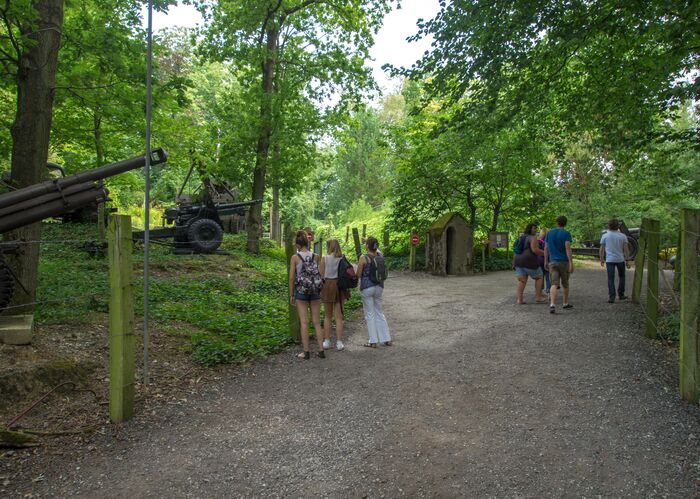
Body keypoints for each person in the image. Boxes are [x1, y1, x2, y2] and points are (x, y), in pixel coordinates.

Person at [288, 230, 325, 359]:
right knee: (316, 322)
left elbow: (292, 278)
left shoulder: (295, 258)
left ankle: (306, 352)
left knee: (304, 322)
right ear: (307, 243)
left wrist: (292, 294)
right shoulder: (316, 256)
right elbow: (320, 275)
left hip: (301, 292)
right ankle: (321, 351)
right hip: (315, 291)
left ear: (298, 245)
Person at [357, 236, 392, 347]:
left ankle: (373, 341)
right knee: (379, 312)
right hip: (379, 287)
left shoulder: (363, 257)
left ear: (367, 246)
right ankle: (386, 338)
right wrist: (369, 241)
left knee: (370, 314)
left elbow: (358, 274)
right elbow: (377, 250)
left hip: (367, 287)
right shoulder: (380, 255)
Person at [319, 239, 349, 351]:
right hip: (339, 287)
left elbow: (321, 275)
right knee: (339, 317)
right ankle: (339, 342)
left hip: (327, 285)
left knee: (327, 316)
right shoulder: (342, 258)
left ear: (328, 247)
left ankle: (326, 341)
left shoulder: (324, 259)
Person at [544, 215, 574, 314]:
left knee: (554, 284)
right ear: (565, 223)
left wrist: (545, 261)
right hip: (564, 262)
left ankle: (552, 304)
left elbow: (546, 248)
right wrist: (571, 262)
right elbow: (567, 248)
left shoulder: (549, 233)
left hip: (552, 262)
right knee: (565, 283)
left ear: (556, 222)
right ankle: (565, 303)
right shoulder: (566, 234)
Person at [513, 223, 546, 304]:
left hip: (518, 260)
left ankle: (519, 300)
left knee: (522, 280)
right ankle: (538, 297)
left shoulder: (521, 237)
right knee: (539, 277)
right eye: (534, 228)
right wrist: (546, 253)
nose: (536, 230)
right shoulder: (532, 238)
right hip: (529, 261)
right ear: (530, 229)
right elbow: (535, 250)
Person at [599, 218, 631, 303]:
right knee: (622, 277)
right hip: (620, 259)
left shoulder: (605, 236)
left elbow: (601, 249)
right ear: (618, 227)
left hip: (609, 260)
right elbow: (626, 250)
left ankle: (611, 297)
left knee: (610, 278)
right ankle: (621, 294)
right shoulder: (623, 236)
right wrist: (627, 260)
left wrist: (602, 259)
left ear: (609, 226)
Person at [538, 227, 551, 294]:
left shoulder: (539, 241)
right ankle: (548, 289)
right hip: (548, 260)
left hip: (540, 260)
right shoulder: (549, 240)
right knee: (547, 276)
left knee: (541, 276)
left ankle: (541, 290)